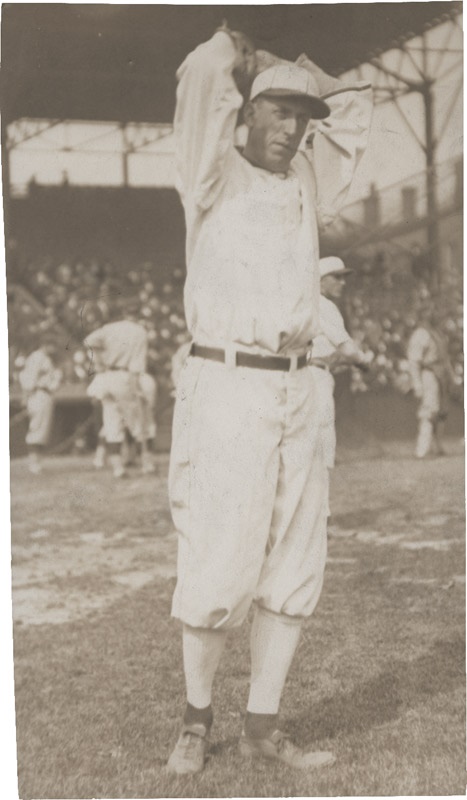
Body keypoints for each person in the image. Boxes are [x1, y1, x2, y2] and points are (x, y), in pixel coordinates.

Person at [167, 23, 372, 774]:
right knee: (220, 556)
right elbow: (198, 85)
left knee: (294, 560)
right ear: (245, 113)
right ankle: (195, 722)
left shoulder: (307, 180)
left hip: (299, 387)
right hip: (225, 385)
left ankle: (263, 725)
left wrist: (306, 75)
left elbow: (350, 116)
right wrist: (234, 50)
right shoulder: (210, 171)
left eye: (300, 117)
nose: (290, 129)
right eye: (277, 111)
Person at [309, 256, 372, 513]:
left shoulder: (311, 304)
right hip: (315, 377)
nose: (342, 282)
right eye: (336, 277)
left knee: (310, 447)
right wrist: (364, 360)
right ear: (321, 280)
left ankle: (313, 511)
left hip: (312, 373)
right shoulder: (323, 304)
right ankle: (318, 512)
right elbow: (347, 348)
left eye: (343, 277)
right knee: (321, 443)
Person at [84, 299, 150, 478]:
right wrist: (138, 389)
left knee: (111, 421)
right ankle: (146, 463)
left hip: (106, 377)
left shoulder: (111, 327)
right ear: (138, 314)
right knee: (136, 422)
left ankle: (118, 468)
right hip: (124, 376)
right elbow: (137, 365)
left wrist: (99, 361)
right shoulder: (140, 331)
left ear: (124, 313)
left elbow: (88, 340)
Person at [407, 304, 454, 459]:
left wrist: (452, 377)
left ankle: (437, 446)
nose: (433, 315)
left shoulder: (438, 333)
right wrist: (417, 384)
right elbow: (414, 361)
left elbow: (445, 359)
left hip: (441, 376)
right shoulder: (420, 334)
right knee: (429, 410)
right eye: (429, 312)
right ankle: (422, 449)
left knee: (441, 411)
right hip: (429, 375)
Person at [18, 337, 62, 474]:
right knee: (36, 428)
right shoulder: (37, 357)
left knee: (41, 429)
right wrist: (26, 397)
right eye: (51, 345)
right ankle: (34, 463)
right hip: (38, 394)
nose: (54, 349)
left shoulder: (46, 358)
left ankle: (37, 462)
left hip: (45, 395)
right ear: (45, 344)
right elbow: (28, 379)